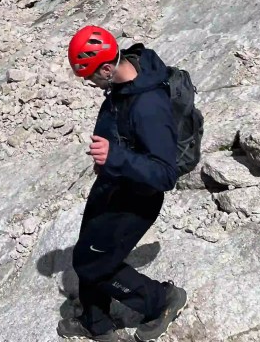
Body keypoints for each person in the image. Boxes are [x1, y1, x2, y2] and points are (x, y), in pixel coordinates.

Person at [58, 26, 187, 342]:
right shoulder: (121, 82)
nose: (90, 83)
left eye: (90, 76)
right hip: (114, 183)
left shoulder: (149, 106)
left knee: (93, 265)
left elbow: (165, 173)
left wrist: (114, 156)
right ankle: (96, 321)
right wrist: (109, 159)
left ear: (105, 68)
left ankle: (161, 301)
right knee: (87, 251)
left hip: (136, 198)